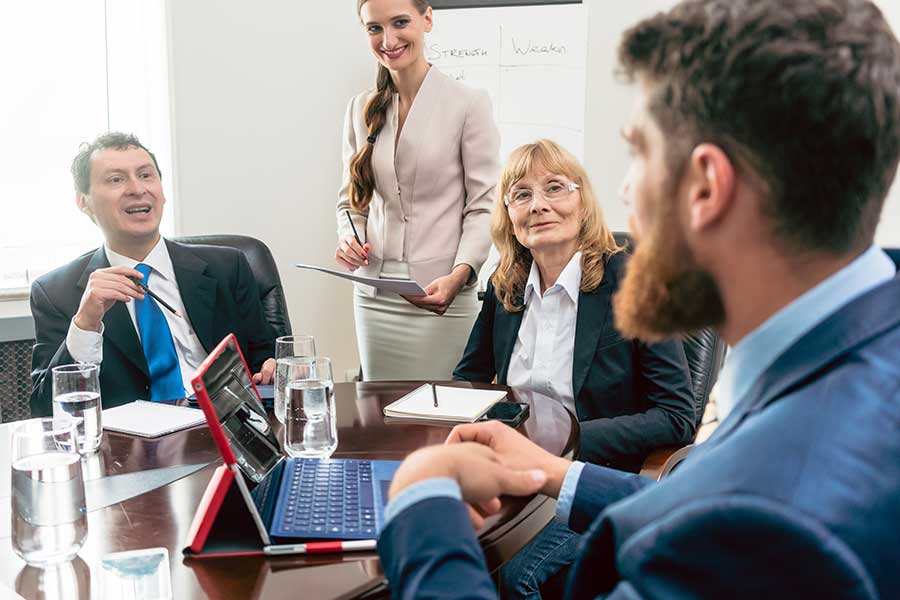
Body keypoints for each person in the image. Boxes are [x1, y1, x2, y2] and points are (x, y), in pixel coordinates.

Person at [374, 0, 900, 598]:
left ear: (706, 187)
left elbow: (733, 506)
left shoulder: (775, 518)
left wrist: (421, 504)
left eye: (639, 153)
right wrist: (551, 470)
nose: (624, 190)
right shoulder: (863, 354)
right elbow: (701, 495)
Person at [453, 139, 696, 598]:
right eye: (521, 194)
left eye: (555, 188)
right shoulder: (503, 287)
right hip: (511, 479)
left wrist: (563, 445)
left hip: (591, 478)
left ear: (582, 202)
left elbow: (676, 416)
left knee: (511, 572)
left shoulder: (631, 280)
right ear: (509, 217)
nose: (538, 205)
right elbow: (466, 382)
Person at [30, 132, 277, 417]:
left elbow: (267, 361)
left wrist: (274, 369)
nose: (137, 188)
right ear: (83, 202)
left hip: (225, 432)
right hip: (129, 451)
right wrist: (86, 322)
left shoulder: (228, 267)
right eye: (116, 179)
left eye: (146, 175)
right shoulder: (55, 292)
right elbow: (45, 411)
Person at [335, 0, 500, 380]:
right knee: (383, 421)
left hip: (443, 295)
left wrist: (459, 275)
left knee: (445, 423)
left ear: (427, 19)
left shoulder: (468, 103)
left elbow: (483, 206)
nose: (388, 39)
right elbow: (351, 202)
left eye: (400, 22)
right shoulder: (360, 108)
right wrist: (349, 237)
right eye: (374, 28)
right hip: (375, 295)